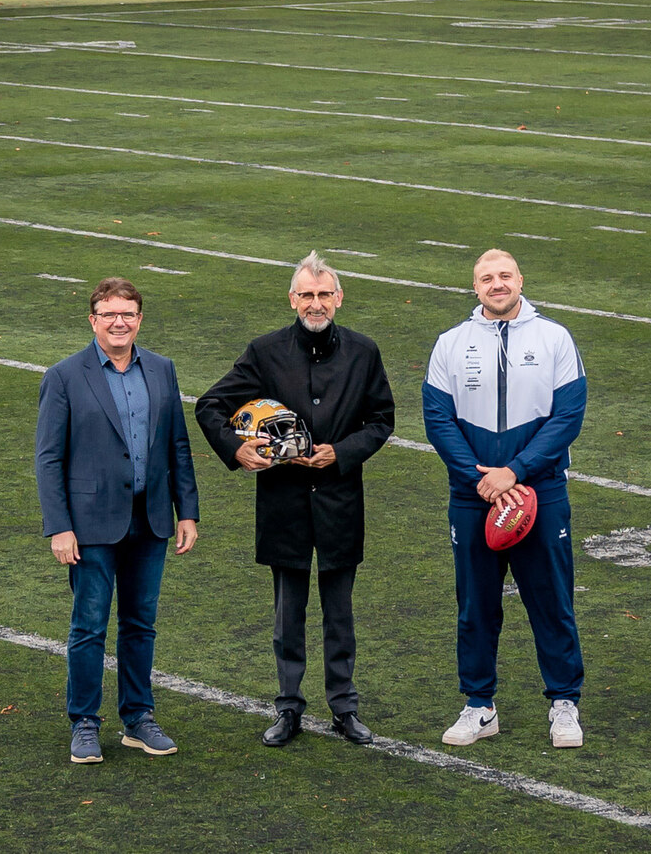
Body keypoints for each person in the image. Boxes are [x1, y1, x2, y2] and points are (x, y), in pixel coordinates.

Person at [196, 252, 395, 747]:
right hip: (282, 503)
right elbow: (209, 405)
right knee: (288, 615)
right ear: (292, 299)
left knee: (340, 614)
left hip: (339, 500)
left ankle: (344, 709)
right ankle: (288, 709)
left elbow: (382, 419)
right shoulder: (264, 351)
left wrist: (342, 453)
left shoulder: (363, 352)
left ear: (339, 298)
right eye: (306, 295)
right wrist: (238, 450)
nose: (315, 303)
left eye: (324, 294)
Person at [422, 249, 589, 749]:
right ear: (475, 288)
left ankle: (564, 702)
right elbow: (438, 419)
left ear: (521, 280)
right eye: (486, 278)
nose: (497, 284)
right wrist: (483, 478)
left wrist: (514, 471)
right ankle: (479, 705)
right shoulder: (451, 343)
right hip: (473, 495)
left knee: (552, 599)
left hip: (540, 491)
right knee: (475, 604)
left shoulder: (555, 337)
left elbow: (568, 416)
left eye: (505, 276)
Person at [35, 277, 200, 764]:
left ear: (139, 319)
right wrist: (59, 526)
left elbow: (177, 446)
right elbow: (48, 459)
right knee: (88, 626)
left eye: (127, 313)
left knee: (140, 624)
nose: (119, 322)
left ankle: (138, 718)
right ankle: (84, 721)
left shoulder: (163, 370)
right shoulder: (64, 376)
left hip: (149, 520)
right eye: (108, 314)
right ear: (93, 320)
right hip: (89, 524)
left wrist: (186, 510)